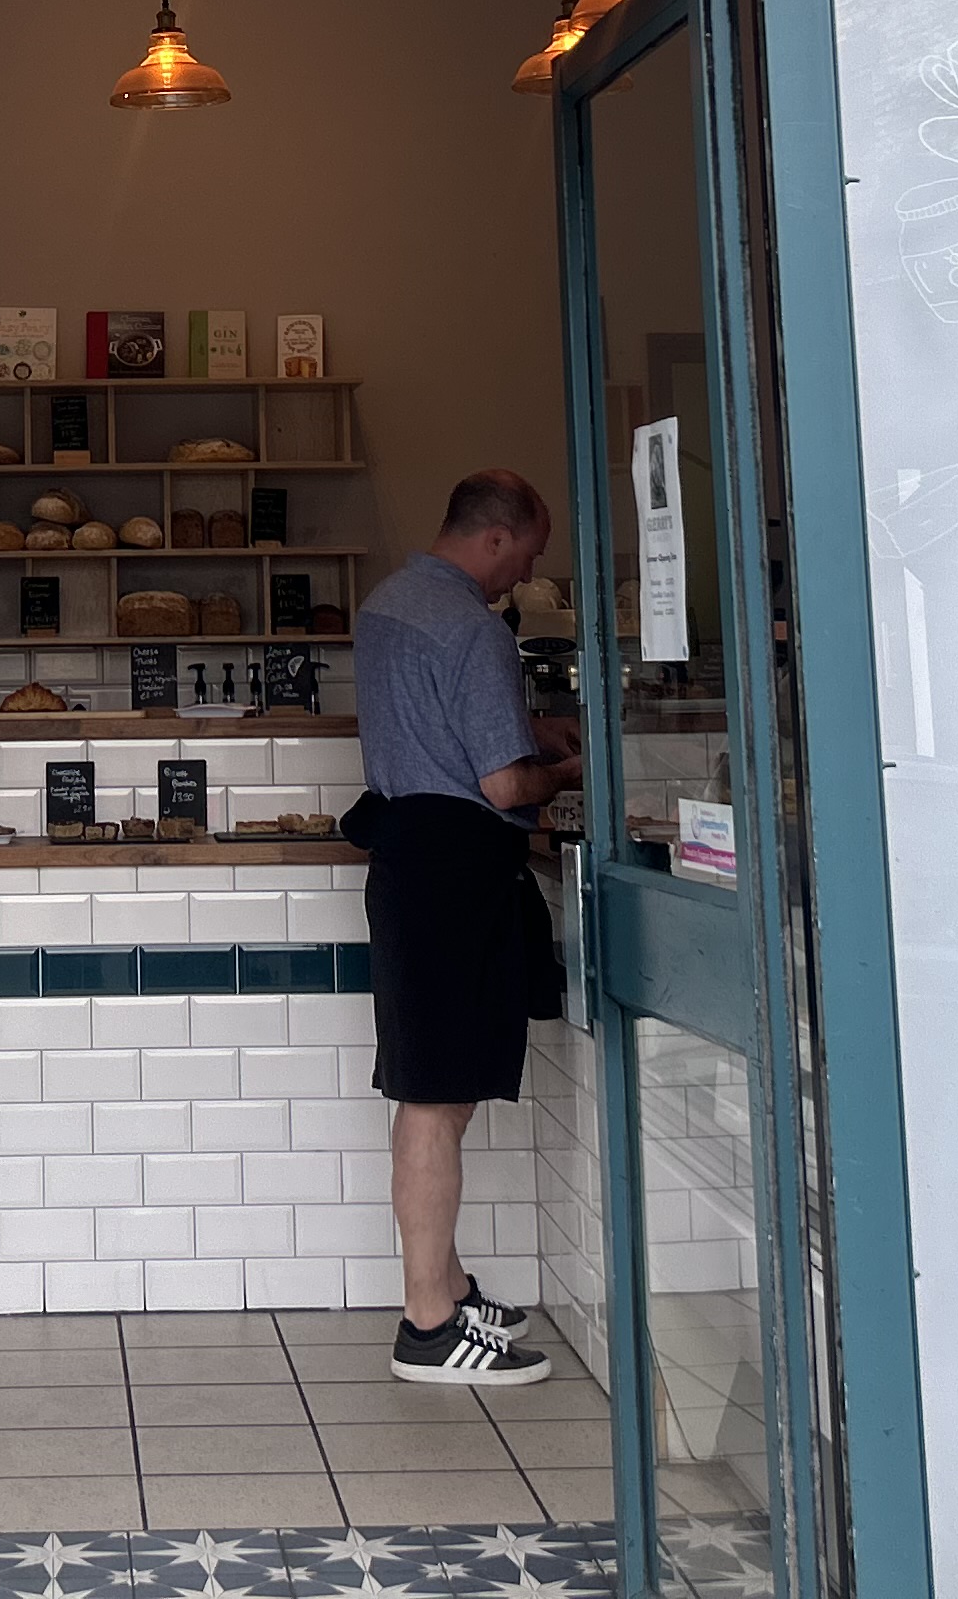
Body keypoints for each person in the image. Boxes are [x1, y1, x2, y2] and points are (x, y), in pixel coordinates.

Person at [350, 467, 584, 1386]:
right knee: (438, 1099)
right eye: (526, 557)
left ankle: (445, 1282)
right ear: (497, 538)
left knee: (433, 1088)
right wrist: (563, 771)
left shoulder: (390, 603)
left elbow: (436, 723)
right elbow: (502, 786)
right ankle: (430, 1324)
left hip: (410, 860)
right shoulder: (474, 629)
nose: (523, 574)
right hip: (457, 871)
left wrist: (527, 724)